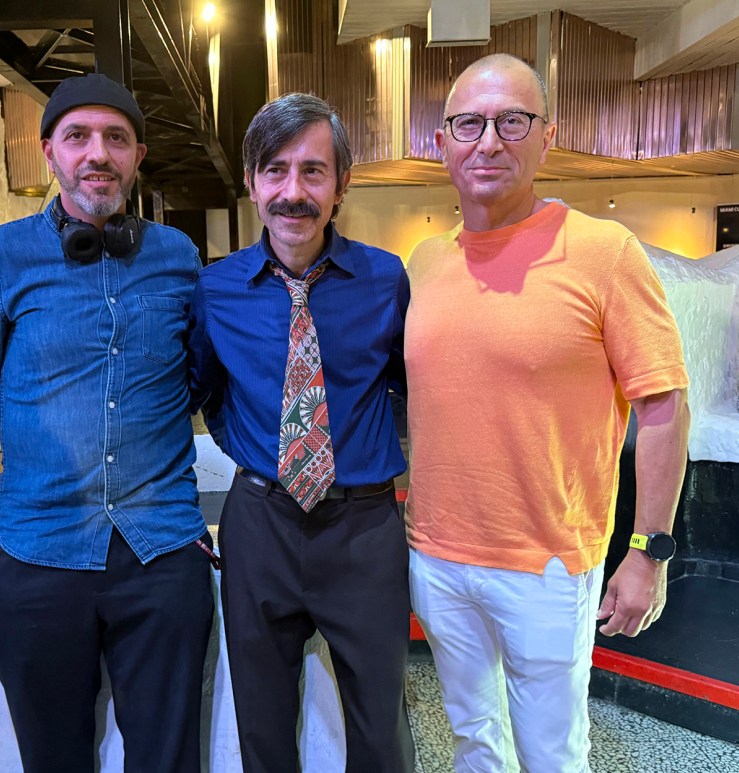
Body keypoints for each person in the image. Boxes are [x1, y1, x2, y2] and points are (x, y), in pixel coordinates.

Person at [404, 53, 691, 772]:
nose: (488, 142)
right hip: (437, 556)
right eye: (469, 124)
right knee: (474, 739)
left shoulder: (604, 253)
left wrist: (648, 551)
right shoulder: (424, 262)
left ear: (546, 136)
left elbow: (664, 404)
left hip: (549, 564)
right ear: (442, 142)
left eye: (512, 121)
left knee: (552, 755)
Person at [0, 73, 215, 773]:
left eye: (116, 138)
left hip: (160, 552)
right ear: (49, 151)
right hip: (38, 553)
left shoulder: (178, 256)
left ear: (137, 156)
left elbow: (201, 379)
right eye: (78, 136)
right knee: (52, 759)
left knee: (170, 760)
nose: (98, 153)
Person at [189, 93, 414, 773]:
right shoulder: (216, 289)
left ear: (342, 184)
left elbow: (412, 391)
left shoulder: (385, 279)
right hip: (261, 525)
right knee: (261, 728)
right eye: (276, 170)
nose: (294, 191)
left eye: (313, 171)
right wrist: (254, 451)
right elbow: (200, 393)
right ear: (252, 183)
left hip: (365, 532)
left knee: (381, 730)